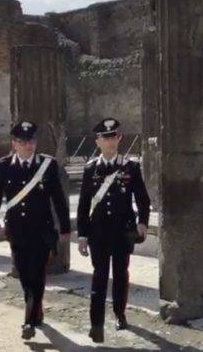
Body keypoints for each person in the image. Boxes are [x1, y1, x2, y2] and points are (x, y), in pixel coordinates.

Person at [0, 120, 71, 340]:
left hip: (41, 231)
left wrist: (65, 228)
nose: (28, 145)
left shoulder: (47, 165)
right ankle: (35, 307)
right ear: (14, 143)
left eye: (31, 140)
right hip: (17, 231)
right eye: (23, 141)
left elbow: (59, 199)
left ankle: (29, 321)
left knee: (37, 274)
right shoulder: (4, 165)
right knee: (24, 275)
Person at [77, 117, 151, 343]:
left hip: (122, 231)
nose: (110, 142)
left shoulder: (131, 167)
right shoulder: (91, 169)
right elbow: (83, 205)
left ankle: (120, 314)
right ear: (97, 141)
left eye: (114, 137)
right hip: (98, 232)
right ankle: (96, 324)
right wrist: (82, 235)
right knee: (99, 276)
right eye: (105, 138)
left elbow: (142, 199)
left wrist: (143, 222)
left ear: (119, 138)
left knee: (120, 275)